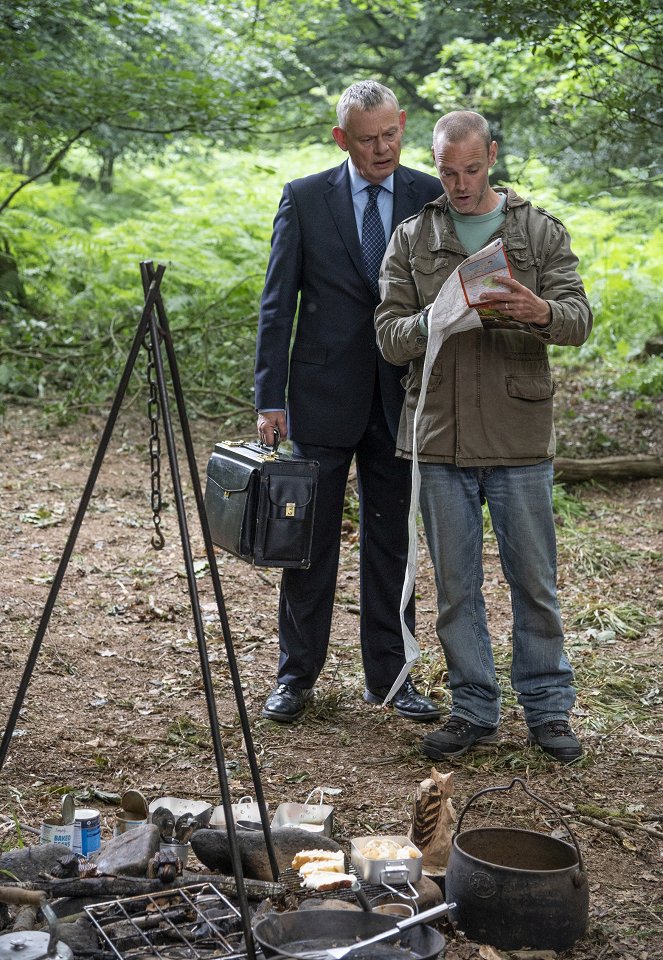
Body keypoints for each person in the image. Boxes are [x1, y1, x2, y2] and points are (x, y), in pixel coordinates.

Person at [374, 110, 593, 763]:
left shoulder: (537, 231)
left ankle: (548, 712)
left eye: (471, 169)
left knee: (534, 581)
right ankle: (473, 708)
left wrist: (538, 311)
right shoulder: (412, 237)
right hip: (437, 435)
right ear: (434, 165)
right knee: (455, 588)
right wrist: (434, 321)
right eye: (447, 171)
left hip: (518, 435)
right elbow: (387, 336)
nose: (461, 183)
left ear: (491, 156)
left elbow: (578, 319)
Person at [254, 80, 443, 724]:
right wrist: (269, 398)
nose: (384, 146)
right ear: (341, 138)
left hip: (401, 400)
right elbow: (278, 306)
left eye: (392, 133)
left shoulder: (428, 193)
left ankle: (390, 678)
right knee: (308, 544)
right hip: (320, 397)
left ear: (403, 124)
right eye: (369, 138)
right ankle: (295, 676)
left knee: (393, 543)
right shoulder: (305, 199)